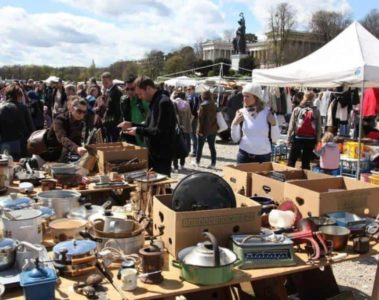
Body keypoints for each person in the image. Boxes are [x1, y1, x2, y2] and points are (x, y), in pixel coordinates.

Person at [118, 76, 176, 176]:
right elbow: (149, 126)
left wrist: (138, 130)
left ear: (148, 88)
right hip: (153, 154)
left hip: (161, 156)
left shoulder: (163, 102)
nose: (140, 97)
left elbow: (160, 132)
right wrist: (132, 124)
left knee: (162, 188)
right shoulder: (154, 102)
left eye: (140, 93)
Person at [231, 83, 276, 163]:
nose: (244, 99)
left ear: (256, 97)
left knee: (261, 176)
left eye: (247, 96)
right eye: (243, 96)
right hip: (244, 155)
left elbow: (275, 138)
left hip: (263, 156)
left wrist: (274, 124)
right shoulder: (241, 112)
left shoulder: (268, 112)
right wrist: (234, 124)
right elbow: (235, 139)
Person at [40, 97, 87, 162]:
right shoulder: (60, 120)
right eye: (79, 111)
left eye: (84, 112)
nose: (81, 114)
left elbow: (77, 140)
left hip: (64, 154)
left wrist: (81, 151)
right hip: (49, 153)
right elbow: (62, 138)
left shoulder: (80, 123)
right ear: (71, 108)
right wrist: (76, 149)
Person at [287, 91, 322, 169]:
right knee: (306, 162)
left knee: (292, 160)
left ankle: (288, 176)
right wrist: (318, 141)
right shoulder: (316, 111)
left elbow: (291, 126)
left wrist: (288, 139)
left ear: (304, 97)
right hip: (311, 139)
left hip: (298, 138)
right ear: (313, 99)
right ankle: (304, 179)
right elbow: (319, 128)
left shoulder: (297, 109)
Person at [0, 83, 35, 160]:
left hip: (4, 144)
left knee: (6, 168)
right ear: (18, 95)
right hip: (21, 144)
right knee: (22, 168)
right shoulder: (23, 108)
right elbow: (32, 129)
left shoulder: (1, 108)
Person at [120, 75, 149, 146]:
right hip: (130, 139)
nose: (129, 92)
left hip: (144, 139)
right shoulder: (124, 101)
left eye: (132, 89)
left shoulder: (144, 100)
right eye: (127, 89)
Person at [191, 90, 218, 168]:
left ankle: (197, 162)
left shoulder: (203, 105)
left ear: (203, 96)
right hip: (213, 128)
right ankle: (213, 163)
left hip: (204, 129)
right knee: (212, 146)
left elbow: (200, 120)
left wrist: (198, 130)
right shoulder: (214, 105)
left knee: (200, 146)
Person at [172, 91, 191, 171]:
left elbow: (175, 116)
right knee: (183, 146)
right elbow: (190, 115)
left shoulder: (173, 104)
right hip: (185, 127)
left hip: (176, 128)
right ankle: (182, 165)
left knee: (175, 147)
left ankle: (175, 166)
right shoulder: (187, 104)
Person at [101, 72, 122, 142]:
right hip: (108, 123)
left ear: (111, 81)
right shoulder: (109, 91)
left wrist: (115, 123)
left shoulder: (116, 92)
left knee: (113, 143)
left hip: (113, 124)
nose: (104, 85)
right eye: (103, 83)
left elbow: (118, 109)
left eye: (106, 83)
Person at [186, 85, 200, 157]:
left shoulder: (195, 97)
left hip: (193, 118)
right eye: (187, 89)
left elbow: (195, 108)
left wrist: (192, 117)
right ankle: (190, 150)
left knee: (192, 134)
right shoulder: (188, 97)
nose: (188, 90)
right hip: (189, 117)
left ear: (193, 90)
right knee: (189, 134)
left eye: (189, 89)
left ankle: (195, 151)